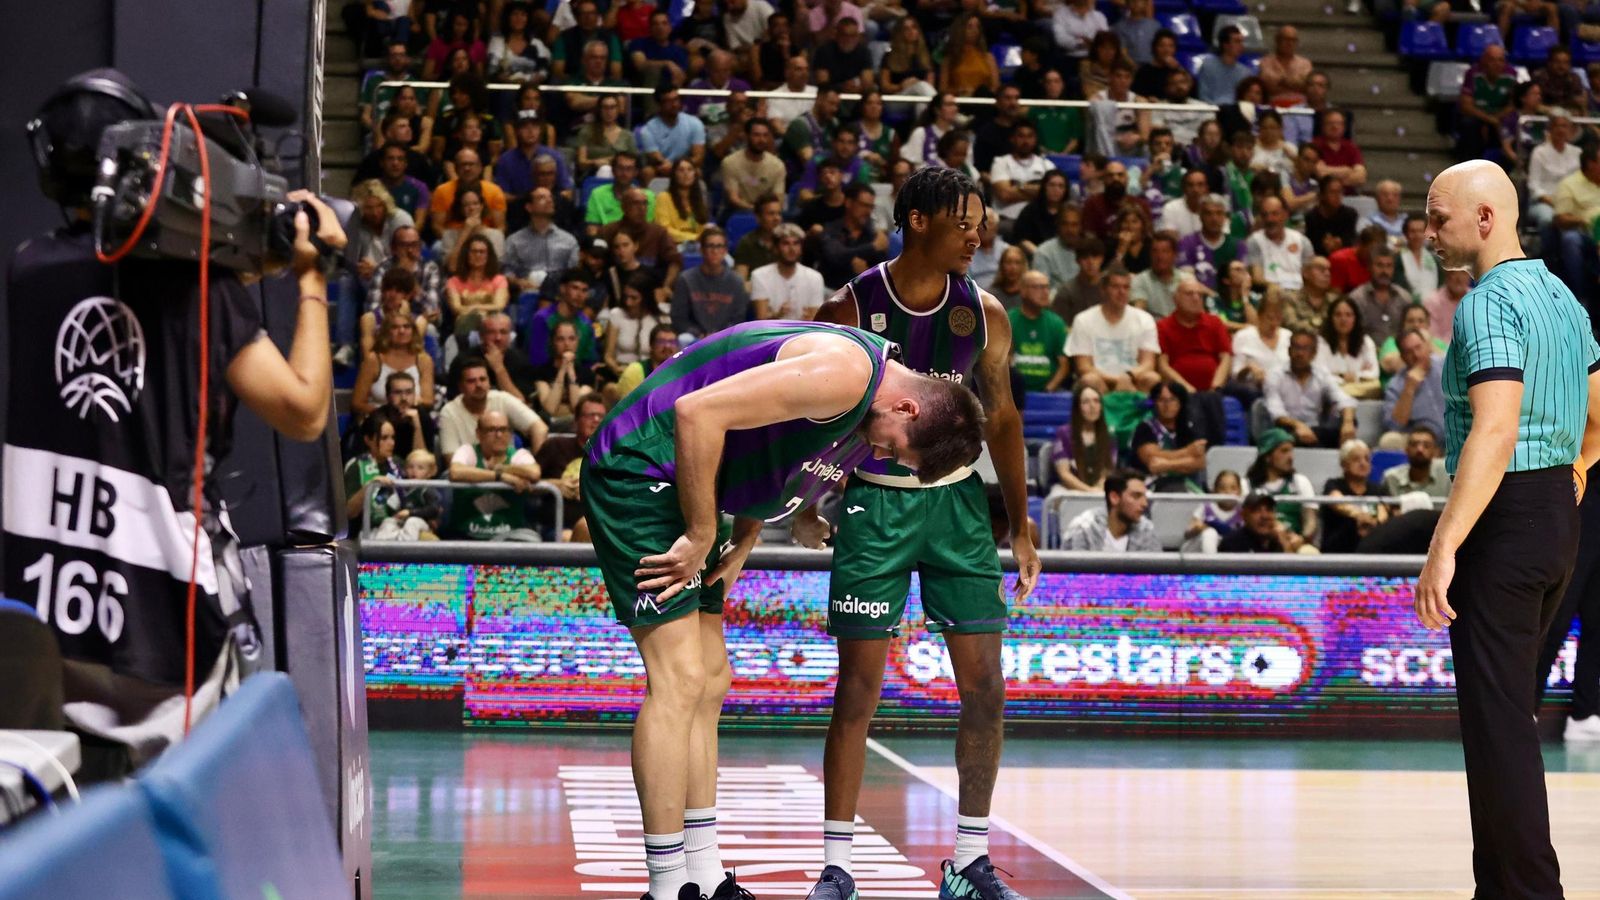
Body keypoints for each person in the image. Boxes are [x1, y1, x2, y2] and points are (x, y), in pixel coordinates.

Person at [3, 71, 342, 765]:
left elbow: (127, 282)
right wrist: (310, 278)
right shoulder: (207, 293)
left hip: (40, 603)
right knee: (163, 816)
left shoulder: (28, 269)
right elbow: (304, 412)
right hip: (164, 616)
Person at [582, 320, 985, 900]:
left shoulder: (869, 402)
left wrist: (749, 536)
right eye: (894, 447)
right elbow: (699, 413)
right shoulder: (846, 374)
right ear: (909, 408)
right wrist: (700, 533)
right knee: (680, 680)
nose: (880, 452)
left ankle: (704, 873)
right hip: (641, 469)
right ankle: (665, 887)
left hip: (698, 479)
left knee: (712, 679)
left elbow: (768, 448)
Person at [805, 168, 1041, 900]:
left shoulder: (987, 313)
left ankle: (970, 861)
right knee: (858, 693)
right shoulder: (849, 306)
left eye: (980, 222)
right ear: (915, 221)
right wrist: (812, 497)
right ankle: (837, 866)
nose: (978, 234)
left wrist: (1023, 527)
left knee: (986, 688)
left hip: (958, 509)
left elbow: (1000, 419)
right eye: (963, 222)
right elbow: (810, 415)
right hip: (875, 507)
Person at [1413, 160, 1600, 900]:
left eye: (1439, 218)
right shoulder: (1563, 296)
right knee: (1508, 717)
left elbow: (1494, 430)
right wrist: (1577, 475)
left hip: (1507, 517)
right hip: (1558, 517)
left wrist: (1444, 544)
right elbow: (1597, 422)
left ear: (1486, 219)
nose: (1429, 233)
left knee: (1501, 729)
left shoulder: (1486, 305)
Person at [445, 411, 543, 542]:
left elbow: (534, 473)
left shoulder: (518, 455)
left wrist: (503, 468)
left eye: (503, 429)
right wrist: (500, 476)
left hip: (510, 537)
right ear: (479, 434)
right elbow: (455, 472)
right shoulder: (468, 451)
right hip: (466, 536)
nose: (499, 435)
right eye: (491, 430)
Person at [1068, 266, 1163, 395]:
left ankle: (1145, 415)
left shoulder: (1144, 319)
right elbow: (1084, 367)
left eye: (1126, 287)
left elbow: (1148, 363)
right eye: (1115, 287)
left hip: (1133, 380)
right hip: (1100, 381)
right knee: (1089, 379)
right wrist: (1117, 381)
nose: (1121, 292)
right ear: (1103, 290)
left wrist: (1128, 376)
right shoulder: (1083, 319)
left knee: (1152, 378)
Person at [437, 357, 550, 457]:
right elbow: (451, 461)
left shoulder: (502, 399)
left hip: (508, 471)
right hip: (465, 476)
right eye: (471, 381)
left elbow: (540, 428)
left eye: (483, 379)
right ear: (460, 387)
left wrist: (539, 466)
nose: (479, 385)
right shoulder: (449, 412)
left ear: (489, 382)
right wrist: (496, 475)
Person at [1263, 329, 1358, 447]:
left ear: (1314, 353)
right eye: (1296, 348)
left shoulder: (1321, 374)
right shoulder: (1275, 375)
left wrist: (1348, 422)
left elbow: (1343, 399)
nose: (1300, 353)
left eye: (1305, 349)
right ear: (1288, 350)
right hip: (1286, 431)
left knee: (1351, 421)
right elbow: (1276, 413)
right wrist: (1298, 425)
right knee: (1291, 435)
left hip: (1316, 431)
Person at [352, 312, 435, 421]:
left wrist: (409, 405)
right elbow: (357, 403)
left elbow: (428, 401)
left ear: (413, 331)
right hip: (379, 421)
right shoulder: (373, 360)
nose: (401, 331)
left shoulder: (424, 360)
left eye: (406, 327)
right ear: (386, 332)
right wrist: (387, 415)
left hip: (411, 420)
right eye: (395, 327)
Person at [671, 227, 751, 341]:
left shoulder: (736, 282)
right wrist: (699, 334)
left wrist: (719, 336)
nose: (714, 251)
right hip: (694, 338)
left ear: (725, 251)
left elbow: (738, 318)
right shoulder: (686, 279)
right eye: (710, 246)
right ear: (701, 249)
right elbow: (679, 318)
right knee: (684, 338)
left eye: (719, 246)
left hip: (726, 338)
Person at [446, 311, 540, 404]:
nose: (498, 338)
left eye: (503, 332)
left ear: (510, 336)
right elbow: (455, 401)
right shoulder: (463, 361)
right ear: (481, 335)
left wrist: (499, 368)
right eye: (491, 332)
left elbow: (521, 403)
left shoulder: (521, 361)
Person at [1247, 427, 1318, 549]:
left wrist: (1302, 538)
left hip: (1295, 543)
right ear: (1267, 456)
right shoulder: (1247, 484)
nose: (1291, 457)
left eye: (1291, 451)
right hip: (1257, 542)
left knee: (1310, 552)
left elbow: (1311, 519)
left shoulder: (1300, 482)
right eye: (1284, 451)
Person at [1131, 380, 1207, 492]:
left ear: (1180, 403)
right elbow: (1152, 460)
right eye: (1161, 400)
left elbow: (1199, 463)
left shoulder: (1189, 427)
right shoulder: (1145, 428)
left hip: (1188, 484)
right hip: (1152, 486)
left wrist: (1166, 465)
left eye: (1172, 400)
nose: (1167, 405)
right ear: (1154, 403)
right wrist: (1187, 452)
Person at [1319, 438, 1391, 553]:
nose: (1363, 463)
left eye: (1367, 459)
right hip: (1337, 549)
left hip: (1372, 548)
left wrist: (1372, 521)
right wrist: (1360, 515)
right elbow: (1337, 503)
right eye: (1356, 459)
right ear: (1344, 464)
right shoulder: (1333, 484)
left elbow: (1383, 514)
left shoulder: (1377, 489)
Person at [1062, 470, 1162, 551]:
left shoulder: (1147, 531)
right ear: (1114, 498)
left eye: (1144, 497)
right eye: (1136, 496)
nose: (1144, 504)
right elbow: (1070, 573)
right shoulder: (1083, 528)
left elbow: (1155, 573)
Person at [344, 415, 408, 538]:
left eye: (392, 437)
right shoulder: (356, 466)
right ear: (368, 439)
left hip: (399, 527)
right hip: (365, 533)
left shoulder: (398, 463)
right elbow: (349, 512)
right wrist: (370, 486)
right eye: (384, 438)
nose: (391, 443)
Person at [817, 184, 889, 291]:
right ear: (849, 203)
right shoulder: (831, 229)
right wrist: (872, 247)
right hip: (831, 290)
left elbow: (882, 270)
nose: (868, 211)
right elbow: (836, 255)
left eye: (871, 207)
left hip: (863, 291)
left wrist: (867, 272)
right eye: (864, 205)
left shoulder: (873, 234)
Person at [1009, 271, 1071, 392]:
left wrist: (1048, 390)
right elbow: (1004, 361)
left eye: (1047, 287)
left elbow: (1064, 365)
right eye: (1038, 287)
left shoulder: (1056, 323)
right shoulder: (1009, 320)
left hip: (1049, 391)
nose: (1045, 292)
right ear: (1023, 291)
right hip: (1014, 391)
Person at [1050, 384, 1117, 494]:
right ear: (1077, 407)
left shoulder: (1110, 436)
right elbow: (1064, 474)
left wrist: (1098, 490)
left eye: (1096, 401)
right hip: (1069, 490)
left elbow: (1107, 472)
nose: (1092, 406)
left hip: (1099, 490)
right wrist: (1089, 492)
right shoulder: (1063, 434)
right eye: (1086, 402)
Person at [750, 224, 825, 320]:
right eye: (786, 243)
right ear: (776, 248)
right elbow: (761, 321)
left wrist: (809, 320)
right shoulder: (759, 276)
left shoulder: (815, 278)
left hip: (804, 333)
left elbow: (815, 320)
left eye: (796, 243)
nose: (792, 249)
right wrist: (777, 315)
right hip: (772, 333)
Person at [1527, 109, 1580, 233]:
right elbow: (1534, 186)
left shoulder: (1577, 152)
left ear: (1570, 130)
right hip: (1544, 202)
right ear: (1550, 129)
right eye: (1557, 126)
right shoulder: (1539, 152)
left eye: (1564, 126)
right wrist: (1554, 202)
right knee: (1547, 219)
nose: (1561, 130)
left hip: (1571, 202)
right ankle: (1549, 252)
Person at [1317, 297, 1382, 399]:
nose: (1343, 319)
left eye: (1348, 315)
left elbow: (1374, 373)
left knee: (1375, 385)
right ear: (1331, 318)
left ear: (1355, 318)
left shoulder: (1365, 342)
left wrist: (1349, 376)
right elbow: (1321, 375)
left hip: (1358, 395)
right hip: (1331, 394)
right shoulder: (1321, 342)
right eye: (1338, 315)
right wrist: (1347, 377)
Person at [1176, 196, 1241, 294]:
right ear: (1200, 216)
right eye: (1208, 213)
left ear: (1225, 217)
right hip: (1197, 300)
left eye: (1219, 213)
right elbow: (1187, 280)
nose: (1214, 218)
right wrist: (1215, 297)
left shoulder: (1238, 245)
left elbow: (1242, 279)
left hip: (1231, 302)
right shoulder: (1186, 243)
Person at [720, 119, 786, 215]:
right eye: (756, 135)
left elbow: (778, 198)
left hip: (767, 214)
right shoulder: (730, 162)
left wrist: (763, 213)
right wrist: (756, 211)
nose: (761, 140)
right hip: (737, 212)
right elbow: (733, 198)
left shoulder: (777, 165)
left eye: (765, 135)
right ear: (746, 137)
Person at [1247, 196, 1313, 292]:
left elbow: (1310, 274)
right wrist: (1280, 290)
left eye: (1275, 214)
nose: (1270, 219)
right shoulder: (1254, 241)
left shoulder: (1301, 240)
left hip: (1300, 294)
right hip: (1270, 292)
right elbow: (1257, 277)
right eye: (1265, 215)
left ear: (1285, 215)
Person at [1231, 291, 1291, 392]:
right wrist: (1248, 369)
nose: (1274, 323)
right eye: (1270, 318)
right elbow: (1234, 374)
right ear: (1259, 315)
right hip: (1253, 391)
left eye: (1278, 319)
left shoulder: (1288, 336)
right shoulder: (1244, 336)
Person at [1381, 424, 1452, 498]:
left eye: (1426, 445)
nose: (1420, 450)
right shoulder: (1391, 478)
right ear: (1406, 450)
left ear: (1435, 451)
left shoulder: (1448, 476)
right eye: (1414, 445)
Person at [1183, 470, 1244, 553]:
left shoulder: (1244, 512)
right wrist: (1198, 528)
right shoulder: (1205, 507)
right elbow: (1187, 534)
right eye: (1222, 488)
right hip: (1200, 550)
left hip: (1230, 551)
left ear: (1240, 491)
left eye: (1233, 488)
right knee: (1210, 534)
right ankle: (1211, 565)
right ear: (1215, 490)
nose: (1228, 492)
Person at [1196, 25, 1252, 105]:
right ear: (1225, 45)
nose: (1241, 45)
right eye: (1237, 41)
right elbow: (1203, 96)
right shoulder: (1208, 66)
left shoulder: (1245, 72)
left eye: (1241, 42)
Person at [1218, 491, 1289, 552]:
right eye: (1256, 510)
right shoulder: (1232, 544)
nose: (1264, 516)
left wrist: (1284, 543)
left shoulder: (1278, 541)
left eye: (1269, 510)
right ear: (1244, 515)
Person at [1034, 205, 1084, 290]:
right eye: (1065, 224)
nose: (1070, 230)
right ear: (1058, 225)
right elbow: (1041, 290)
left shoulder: (1088, 252)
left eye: (1074, 225)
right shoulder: (1043, 252)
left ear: (1081, 227)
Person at [1396, 214, 1441, 302]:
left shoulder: (1435, 259)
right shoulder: (1398, 259)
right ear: (1406, 234)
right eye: (1413, 231)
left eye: (1420, 231)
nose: (1417, 235)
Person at [1425, 268, 1472, 345]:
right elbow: (1432, 338)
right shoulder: (1432, 302)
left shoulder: (1478, 298)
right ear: (1447, 275)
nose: (1459, 278)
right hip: (1443, 353)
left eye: (1463, 272)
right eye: (1454, 273)